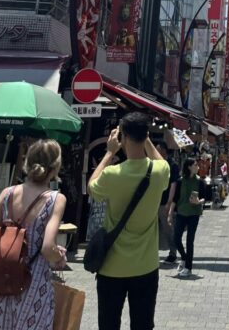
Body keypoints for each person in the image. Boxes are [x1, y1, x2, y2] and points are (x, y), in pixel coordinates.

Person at [0, 139, 67, 330]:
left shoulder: (7, 194)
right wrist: (59, 256)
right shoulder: (56, 199)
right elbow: (47, 248)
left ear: (27, 162)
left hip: (0, 283)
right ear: (55, 168)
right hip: (33, 285)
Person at [88, 111, 170, 330]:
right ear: (146, 136)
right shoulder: (159, 172)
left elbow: (91, 187)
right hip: (146, 265)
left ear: (122, 137)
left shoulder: (112, 174)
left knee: (108, 324)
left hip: (111, 266)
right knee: (143, 325)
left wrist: (109, 153)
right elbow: (162, 164)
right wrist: (147, 140)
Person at [167, 156, 203, 278]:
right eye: (195, 165)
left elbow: (205, 197)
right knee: (176, 238)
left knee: (189, 241)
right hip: (181, 213)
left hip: (194, 213)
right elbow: (175, 199)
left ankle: (188, 268)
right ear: (189, 167)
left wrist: (199, 201)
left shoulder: (199, 181)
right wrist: (170, 214)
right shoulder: (180, 181)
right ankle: (184, 257)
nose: (198, 167)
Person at [156, 141, 179, 263]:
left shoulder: (172, 165)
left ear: (164, 150)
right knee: (152, 229)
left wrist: (169, 202)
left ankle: (173, 253)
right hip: (154, 201)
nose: (156, 151)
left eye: (158, 149)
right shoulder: (155, 163)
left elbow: (173, 184)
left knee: (167, 228)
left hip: (164, 201)